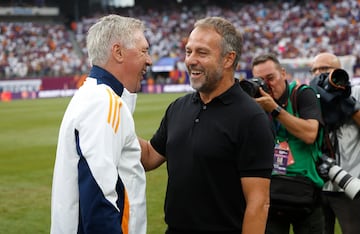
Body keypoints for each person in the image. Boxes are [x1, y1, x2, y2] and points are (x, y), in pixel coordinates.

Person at [139, 16, 274, 234]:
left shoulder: (251, 118)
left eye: (202, 53)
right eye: (188, 51)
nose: (191, 60)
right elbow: (148, 157)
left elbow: (258, 204)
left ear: (228, 59)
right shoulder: (178, 108)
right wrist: (114, 123)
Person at [50, 14, 152, 234]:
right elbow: (99, 198)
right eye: (144, 51)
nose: (150, 59)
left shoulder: (97, 96)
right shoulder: (103, 102)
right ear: (118, 52)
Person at [251, 53, 324, 234]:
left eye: (271, 78)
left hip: (305, 192)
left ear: (283, 73)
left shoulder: (301, 94)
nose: (267, 85)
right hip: (270, 192)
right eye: (260, 80)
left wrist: (273, 109)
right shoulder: (254, 104)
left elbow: (310, 134)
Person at [310, 52, 360, 234]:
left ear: (339, 71)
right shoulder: (309, 96)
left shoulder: (355, 91)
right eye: (314, 70)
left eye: (324, 68)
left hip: (351, 183)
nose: (318, 74)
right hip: (318, 183)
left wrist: (348, 104)